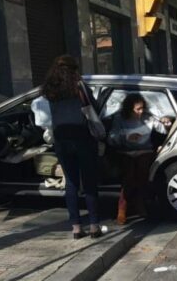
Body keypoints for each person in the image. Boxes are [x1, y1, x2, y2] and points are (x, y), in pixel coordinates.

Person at [42, 55, 102, 239]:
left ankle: (76, 227)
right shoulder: (79, 87)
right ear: (74, 70)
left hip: (62, 139)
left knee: (71, 183)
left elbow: (44, 115)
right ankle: (94, 226)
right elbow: (95, 107)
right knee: (89, 181)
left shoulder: (49, 89)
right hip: (83, 138)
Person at [108, 93, 173, 225]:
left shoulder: (148, 117)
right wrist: (126, 137)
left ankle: (136, 203)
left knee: (142, 172)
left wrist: (166, 123)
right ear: (129, 108)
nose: (141, 111)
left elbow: (161, 129)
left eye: (142, 108)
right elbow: (111, 137)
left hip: (145, 150)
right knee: (129, 175)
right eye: (138, 109)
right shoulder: (119, 118)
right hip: (126, 151)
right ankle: (125, 206)